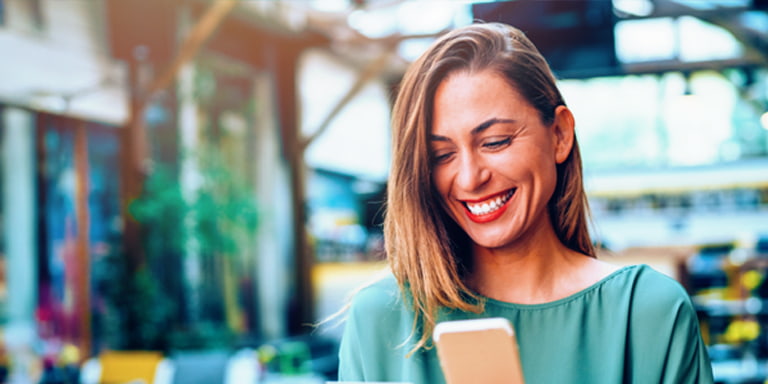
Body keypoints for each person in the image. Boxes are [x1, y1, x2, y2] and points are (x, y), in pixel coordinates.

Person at [337, 22, 714, 383]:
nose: (470, 178)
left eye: (496, 141)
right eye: (441, 156)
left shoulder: (646, 313)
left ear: (560, 135)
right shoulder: (380, 319)